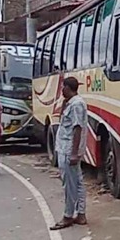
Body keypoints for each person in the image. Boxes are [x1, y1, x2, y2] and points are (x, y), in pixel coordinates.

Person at [50, 77, 88, 230]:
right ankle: (81, 214)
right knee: (77, 182)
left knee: (69, 185)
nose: (61, 90)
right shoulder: (71, 103)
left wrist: (73, 153)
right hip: (66, 148)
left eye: (62, 87)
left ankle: (68, 215)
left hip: (68, 149)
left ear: (67, 87)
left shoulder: (77, 104)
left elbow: (77, 128)